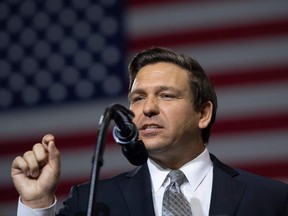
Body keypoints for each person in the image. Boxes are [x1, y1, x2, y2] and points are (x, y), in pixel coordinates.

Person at [12, 47, 288, 216]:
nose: (148, 109)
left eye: (166, 96)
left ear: (203, 114)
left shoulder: (271, 200)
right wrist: (36, 203)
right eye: (138, 97)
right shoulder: (93, 202)